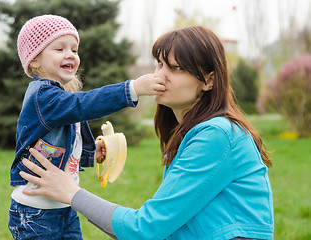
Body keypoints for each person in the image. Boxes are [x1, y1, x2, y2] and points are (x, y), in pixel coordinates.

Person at [19, 26, 274, 240]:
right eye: (160, 64)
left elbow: (145, 229)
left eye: (176, 68)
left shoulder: (217, 135)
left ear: (208, 80)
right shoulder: (195, 133)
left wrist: (71, 193)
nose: (159, 75)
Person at [9, 14, 166, 240]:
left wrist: (90, 155)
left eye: (74, 49)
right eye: (59, 48)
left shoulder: (60, 96)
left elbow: (62, 147)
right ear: (34, 60)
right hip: (35, 212)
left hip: (64, 207)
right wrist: (132, 88)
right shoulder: (42, 96)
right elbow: (84, 104)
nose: (70, 55)